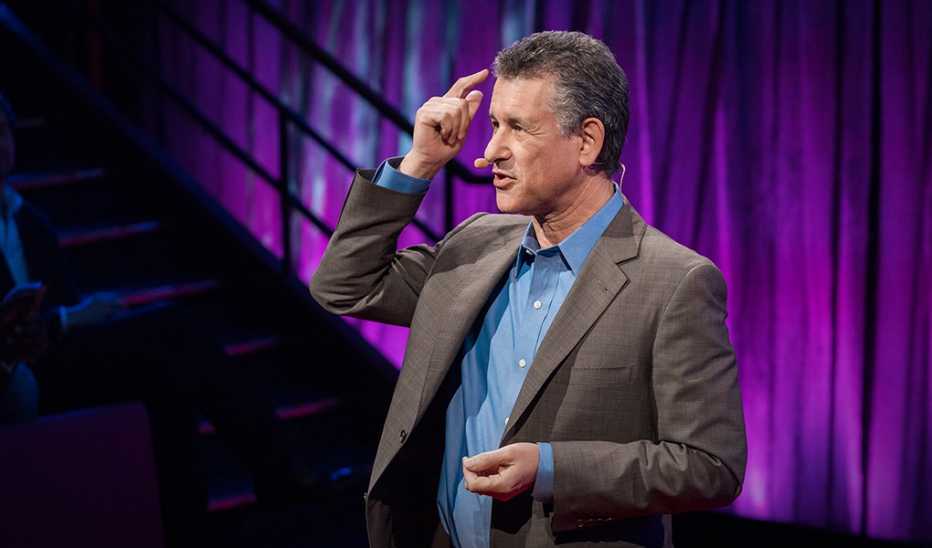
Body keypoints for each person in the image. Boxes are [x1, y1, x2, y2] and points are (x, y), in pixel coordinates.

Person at [310, 31, 747, 547]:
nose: (491, 150)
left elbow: (710, 465)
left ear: (587, 141)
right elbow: (344, 286)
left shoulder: (675, 282)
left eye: (518, 128)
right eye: (495, 124)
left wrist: (551, 468)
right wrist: (418, 165)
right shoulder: (474, 244)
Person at [0, 91, 319, 546]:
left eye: (5, 130)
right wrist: (67, 320)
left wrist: (78, 317)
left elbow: (60, 302)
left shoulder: (30, 219)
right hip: (14, 375)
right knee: (174, 337)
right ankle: (278, 472)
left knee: (170, 372)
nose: (2, 142)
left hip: (54, 354)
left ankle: (194, 522)